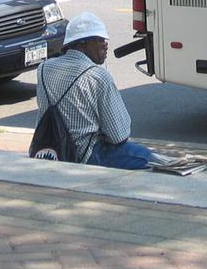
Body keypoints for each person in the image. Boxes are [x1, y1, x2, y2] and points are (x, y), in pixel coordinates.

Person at [36, 11, 154, 169]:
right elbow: (119, 136)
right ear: (83, 44)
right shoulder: (98, 77)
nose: (105, 45)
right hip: (85, 156)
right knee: (145, 156)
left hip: (49, 148)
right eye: (100, 40)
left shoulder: (43, 69)